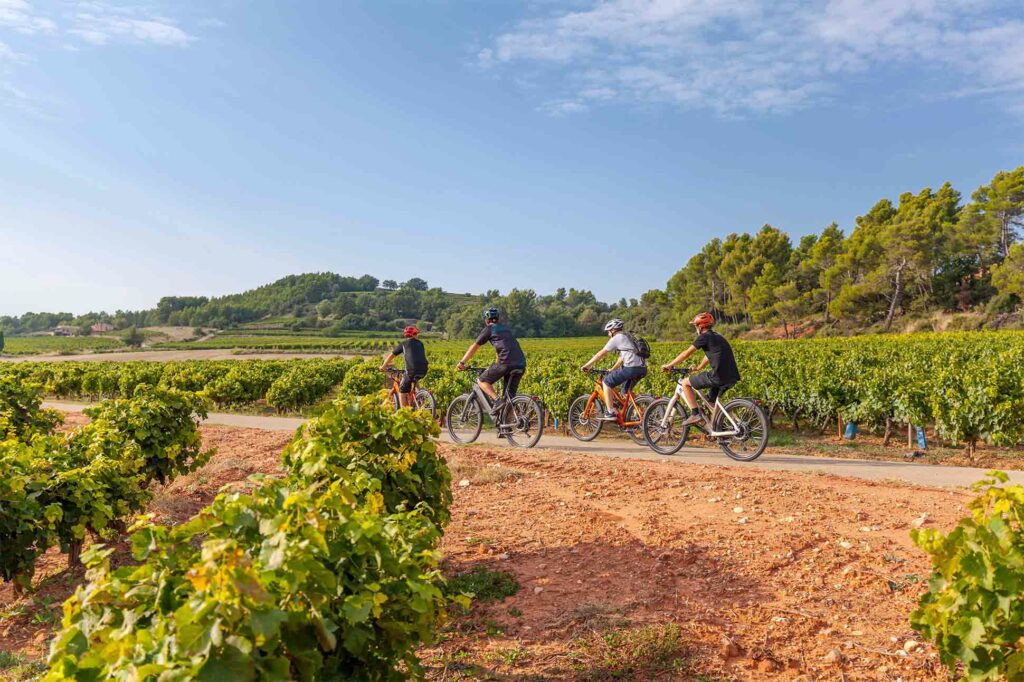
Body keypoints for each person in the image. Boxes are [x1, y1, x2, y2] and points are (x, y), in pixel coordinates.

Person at [661, 312, 740, 427]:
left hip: (718, 376)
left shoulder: (704, 337)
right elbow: (710, 355)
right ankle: (720, 429)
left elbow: (686, 353)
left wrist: (670, 365)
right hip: (732, 375)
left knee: (685, 383)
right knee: (711, 402)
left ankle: (695, 414)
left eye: (695, 326)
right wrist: (699, 367)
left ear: (700, 326)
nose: (695, 328)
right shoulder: (718, 336)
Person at [456, 307, 526, 417]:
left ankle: (497, 401)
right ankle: (507, 428)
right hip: (521, 364)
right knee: (509, 399)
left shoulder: (489, 329)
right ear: (497, 318)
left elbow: (474, 347)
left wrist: (462, 362)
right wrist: (495, 364)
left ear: (486, 320)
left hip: (506, 363)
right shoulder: (506, 329)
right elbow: (501, 348)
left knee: (481, 380)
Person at [581, 318, 647, 420]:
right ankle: (642, 414)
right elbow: (622, 357)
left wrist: (587, 365)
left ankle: (610, 411)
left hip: (631, 368)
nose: (608, 333)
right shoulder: (628, 337)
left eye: (608, 331)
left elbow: (600, 354)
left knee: (607, 382)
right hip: (642, 369)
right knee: (625, 392)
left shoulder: (617, 338)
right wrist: (613, 368)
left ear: (613, 330)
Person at [380, 325, 428, 407]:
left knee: (402, 390)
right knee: (415, 380)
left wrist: (383, 366)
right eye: (416, 334)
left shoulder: (404, 344)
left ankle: (404, 412)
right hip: (424, 369)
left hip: (411, 370)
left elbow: (391, 356)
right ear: (414, 334)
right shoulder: (420, 343)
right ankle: (420, 397)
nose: (417, 335)